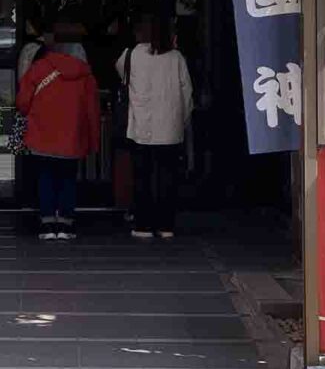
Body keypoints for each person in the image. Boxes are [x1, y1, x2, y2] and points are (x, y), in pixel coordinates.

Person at [115, 12, 193, 239]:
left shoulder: (130, 55)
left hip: (141, 127)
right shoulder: (176, 58)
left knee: (142, 176)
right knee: (168, 177)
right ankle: (166, 225)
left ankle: (143, 224)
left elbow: (122, 75)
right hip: (170, 127)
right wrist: (183, 119)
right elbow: (187, 92)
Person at [17, 43, 100, 241]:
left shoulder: (39, 69)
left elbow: (22, 102)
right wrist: (93, 139)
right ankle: (65, 224)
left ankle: (47, 224)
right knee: (68, 179)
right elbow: (92, 110)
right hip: (72, 136)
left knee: (45, 178)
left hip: (42, 134)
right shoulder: (85, 74)